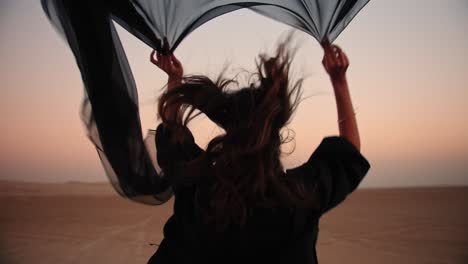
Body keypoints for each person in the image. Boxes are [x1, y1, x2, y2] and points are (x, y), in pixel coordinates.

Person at [147, 36, 370, 264]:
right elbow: (348, 152)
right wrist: (339, 80)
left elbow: (173, 139)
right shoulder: (298, 198)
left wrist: (175, 80)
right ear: (275, 137)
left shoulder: (199, 191)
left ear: (228, 130)